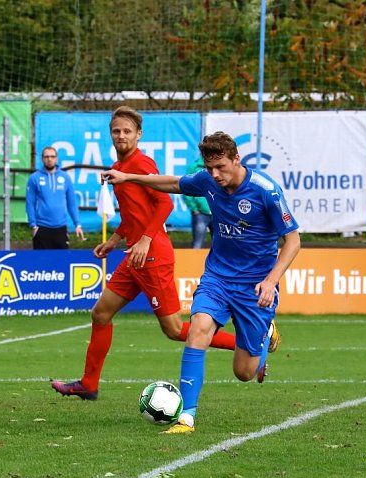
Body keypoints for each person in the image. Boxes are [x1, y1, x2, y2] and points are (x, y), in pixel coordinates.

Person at [50, 108, 274, 401]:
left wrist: (144, 240)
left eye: (127, 131)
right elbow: (135, 214)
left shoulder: (141, 164)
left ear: (138, 135)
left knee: (174, 329)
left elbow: (165, 205)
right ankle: (89, 384)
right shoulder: (121, 167)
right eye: (116, 131)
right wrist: (116, 239)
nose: (121, 136)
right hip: (134, 255)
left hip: (152, 255)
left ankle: (252, 344)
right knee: (101, 313)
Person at [102, 131, 300, 433]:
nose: (214, 175)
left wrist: (272, 280)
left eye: (220, 167)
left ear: (236, 159)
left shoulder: (265, 191)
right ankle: (187, 417)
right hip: (217, 278)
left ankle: (263, 338)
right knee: (198, 329)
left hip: (255, 286)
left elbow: (293, 240)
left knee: (244, 372)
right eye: (209, 168)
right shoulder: (208, 181)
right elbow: (172, 183)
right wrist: (128, 177)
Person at [25, 146, 84, 249]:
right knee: (42, 263)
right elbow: (30, 203)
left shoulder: (65, 177)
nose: (49, 159)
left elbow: (72, 202)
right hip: (41, 227)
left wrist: (77, 224)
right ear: (42, 159)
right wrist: (33, 225)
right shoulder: (34, 178)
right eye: (46, 156)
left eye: (52, 156)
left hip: (60, 228)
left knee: (61, 262)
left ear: (56, 158)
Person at [183, 158, 212, 248]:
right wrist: (194, 208)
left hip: (217, 212)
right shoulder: (194, 167)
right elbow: (185, 187)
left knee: (220, 244)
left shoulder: (219, 166)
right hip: (201, 213)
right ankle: (193, 262)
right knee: (197, 243)